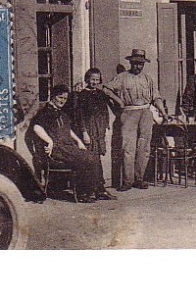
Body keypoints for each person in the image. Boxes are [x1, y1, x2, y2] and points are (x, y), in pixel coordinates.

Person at [30, 84, 113, 202]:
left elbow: (68, 130)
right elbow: (37, 127)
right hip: (58, 149)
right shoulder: (46, 113)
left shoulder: (62, 113)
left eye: (64, 99)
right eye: (60, 98)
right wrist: (49, 141)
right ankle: (83, 193)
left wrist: (79, 142)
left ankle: (97, 190)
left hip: (68, 146)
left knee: (92, 155)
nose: (62, 101)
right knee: (86, 158)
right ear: (52, 96)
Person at [104, 49, 168, 191]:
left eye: (141, 64)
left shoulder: (148, 79)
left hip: (145, 113)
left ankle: (139, 179)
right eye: (135, 63)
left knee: (144, 147)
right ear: (131, 62)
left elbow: (156, 97)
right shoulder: (122, 77)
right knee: (128, 147)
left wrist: (163, 113)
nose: (138, 66)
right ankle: (127, 181)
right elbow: (106, 89)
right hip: (128, 113)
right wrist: (118, 101)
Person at [74, 68, 119, 160]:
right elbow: (80, 115)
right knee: (89, 153)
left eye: (97, 80)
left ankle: (98, 173)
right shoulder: (82, 95)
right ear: (87, 79)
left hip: (100, 127)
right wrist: (84, 132)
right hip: (89, 128)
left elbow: (105, 111)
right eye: (92, 79)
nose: (95, 82)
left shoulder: (101, 94)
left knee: (97, 154)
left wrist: (106, 126)